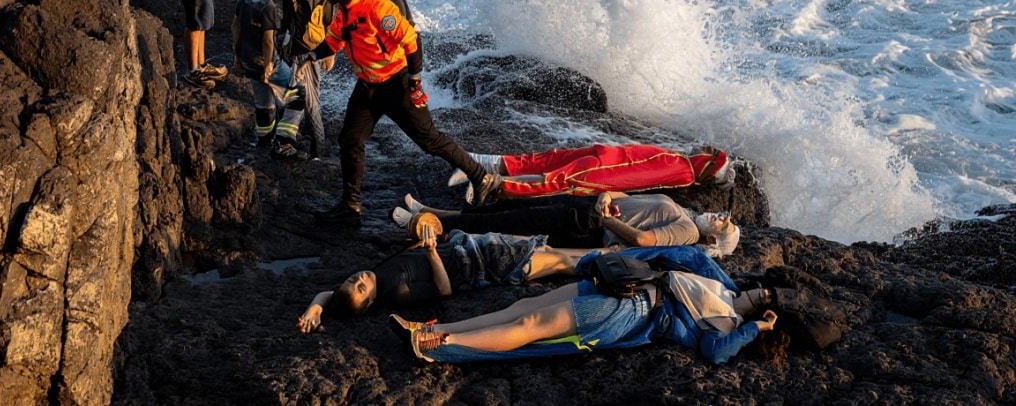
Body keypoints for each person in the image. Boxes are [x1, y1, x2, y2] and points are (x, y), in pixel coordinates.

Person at [299, 0, 500, 224]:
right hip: (367, 88)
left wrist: (415, 81)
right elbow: (335, 41)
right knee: (350, 140)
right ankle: (350, 207)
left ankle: (482, 177)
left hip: (397, 86)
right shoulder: (343, 9)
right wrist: (310, 56)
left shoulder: (378, 8)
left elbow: (412, 40)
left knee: (429, 140)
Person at [394, 245, 784, 365]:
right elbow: (688, 254)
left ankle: (441, 345)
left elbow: (716, 353)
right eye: (765, 290)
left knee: (531, 325)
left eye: (766, 298)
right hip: (625, 285)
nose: (762, 292)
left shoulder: (729, 325)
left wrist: (758, 328)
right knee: (524, 305)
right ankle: (432, 329)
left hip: (634, 310)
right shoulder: (722, 287)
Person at [297, 221, 604, 334]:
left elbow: (330, 295)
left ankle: (613, 253)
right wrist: (431, 251)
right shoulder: (398, 292)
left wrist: (314, 309)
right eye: (361, 287)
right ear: (370, 303)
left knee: (548, 249)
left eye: (352, 279)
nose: (359, 278)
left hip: (471, 244)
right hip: (485, 262)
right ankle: (615, 260)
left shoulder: (371, 280)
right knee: (562, 263)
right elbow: (443, 290)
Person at [393, 192, 740, 257]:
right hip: (590, 207)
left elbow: (643, 240)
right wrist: (607, 194)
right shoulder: (683, 211)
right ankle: (435, 212)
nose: (722, 217)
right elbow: (631, 197)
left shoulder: (688, 232)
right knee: (512, 207)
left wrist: (606, 217)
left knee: (511, 222)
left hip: (589, 226)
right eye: (726, 216)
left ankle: (433, 227)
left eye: (725, 225)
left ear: (713, 239)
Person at [448, 143, 732, 201]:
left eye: (708, 152)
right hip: (605, 163)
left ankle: (484, 170)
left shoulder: (681, 164)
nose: (703, 148)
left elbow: (637, 168)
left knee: (551, 169)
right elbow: (638, 170)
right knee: (551, 171)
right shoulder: (682, 167)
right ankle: (484, 171)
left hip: (604, 160)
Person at [231, 0, 308, 160]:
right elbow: (268, 40)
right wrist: (268, 65)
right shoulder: (268, 6)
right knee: (297, 96)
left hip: (247, 59)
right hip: (265, 62)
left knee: (263, 100)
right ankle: (284, 143)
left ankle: (264, 138)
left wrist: (237, 55)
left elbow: (235, 26)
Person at [277, 0, 335, 160]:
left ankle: (316, 151)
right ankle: (314, 147)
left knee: (306, 102)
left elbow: (286, 24)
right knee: (308, 101)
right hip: (313, 51)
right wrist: (330, 54)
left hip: (297, 53)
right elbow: (329, 25)